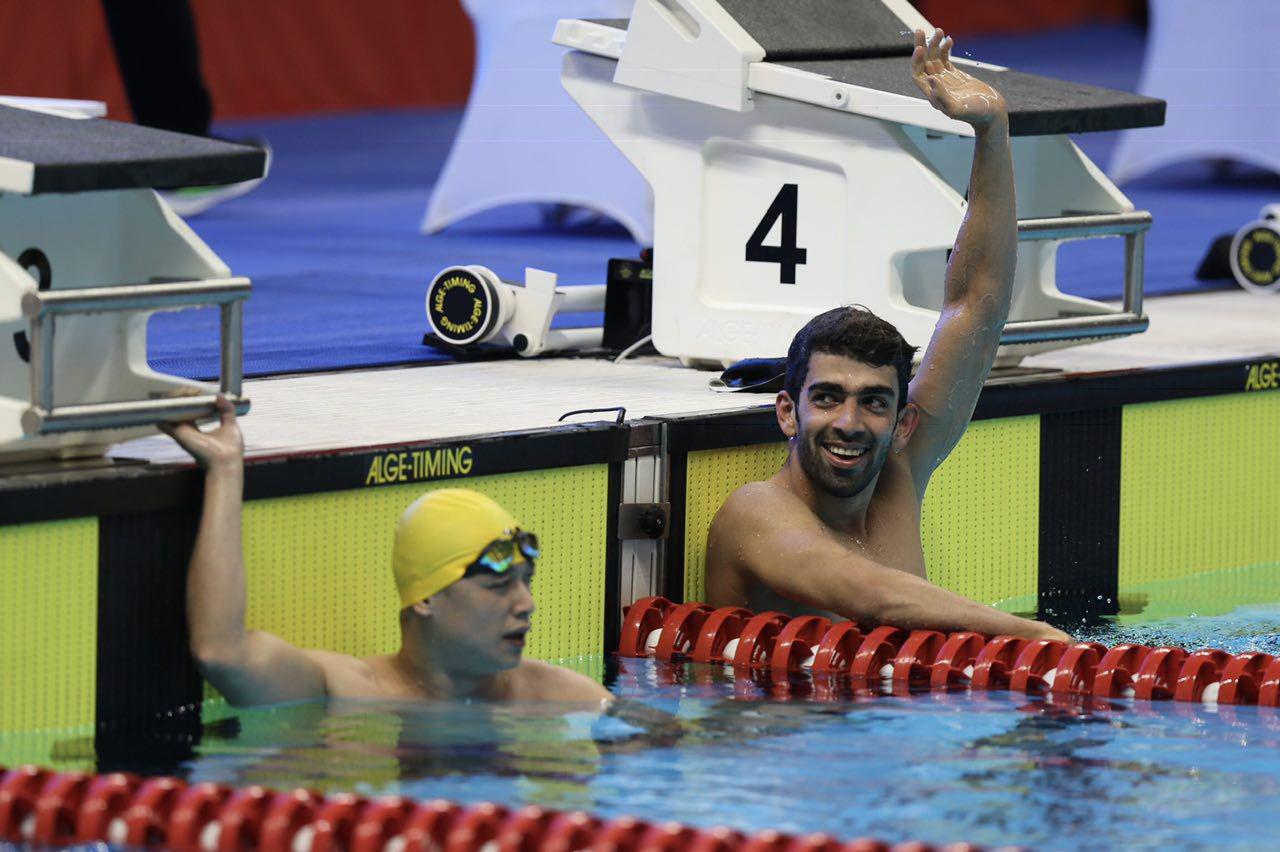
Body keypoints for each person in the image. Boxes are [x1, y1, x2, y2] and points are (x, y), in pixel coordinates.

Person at [705, 29, 1069, 643]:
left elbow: (978, 303)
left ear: (903, 423)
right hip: (773, 734)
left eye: (874, 401)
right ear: (787, 412)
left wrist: (993, 133)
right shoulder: (757, 514)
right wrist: (1036, 636)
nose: (849, 421)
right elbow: (871, 597)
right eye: (827, 397)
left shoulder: (896, 475)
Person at [166, 395, 613, 706]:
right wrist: (225, 469)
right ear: (425, 597)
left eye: (526, 582)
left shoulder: (567, 699)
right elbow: (221, 653)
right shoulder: (344, 692)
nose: (527, 605)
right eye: (499, 586)